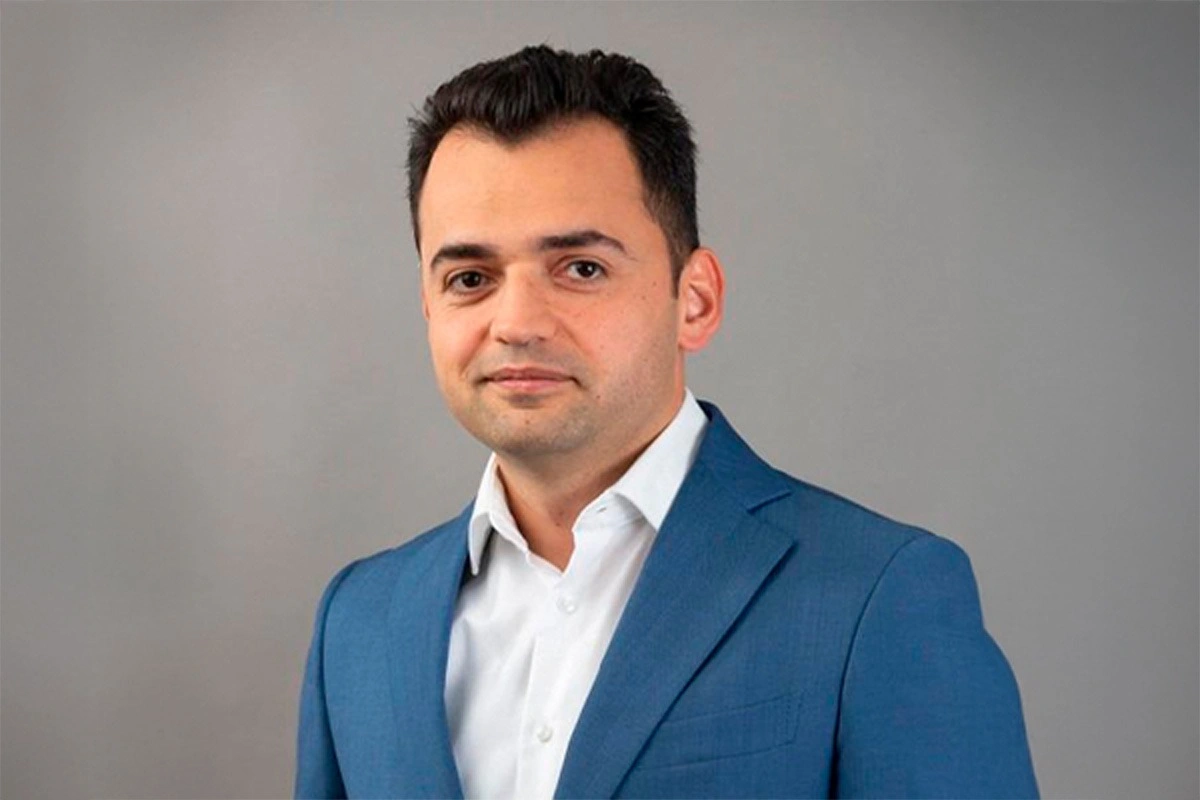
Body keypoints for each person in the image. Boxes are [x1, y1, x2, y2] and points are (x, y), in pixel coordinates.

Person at [295, 45, 1039, 799]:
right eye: (470, 278)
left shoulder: (877, 597)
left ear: (696, 300)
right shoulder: (359, 623)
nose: (515, 323)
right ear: (428, 306)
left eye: (581, 268)